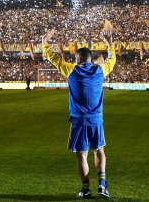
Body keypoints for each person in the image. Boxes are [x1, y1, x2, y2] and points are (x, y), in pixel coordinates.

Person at [42, 29, 116, 199]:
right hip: (96, 119)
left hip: (78, 121)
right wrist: (109, 43)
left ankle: (86, 188)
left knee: (82, 155)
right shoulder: (100, 71)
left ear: (78, 58)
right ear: (90, 59)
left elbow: (53, 59)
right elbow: (112, 60)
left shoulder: (71, 70)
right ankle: (102, 185)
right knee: (99, 151)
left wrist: (44, 43)